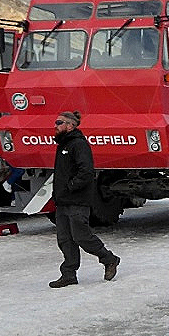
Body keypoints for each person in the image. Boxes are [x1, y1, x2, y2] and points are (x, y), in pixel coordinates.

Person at [48, 111, 119, 288]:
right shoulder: (63, 145)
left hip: (77, 201)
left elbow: (86, 172)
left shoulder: (78, 145)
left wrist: (71, 187)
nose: (55, 126)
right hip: (63, 201)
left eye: (59, 122)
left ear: (70, 125)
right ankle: (68, 274)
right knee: (65, 239)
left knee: (81, 236)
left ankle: (109, 259)